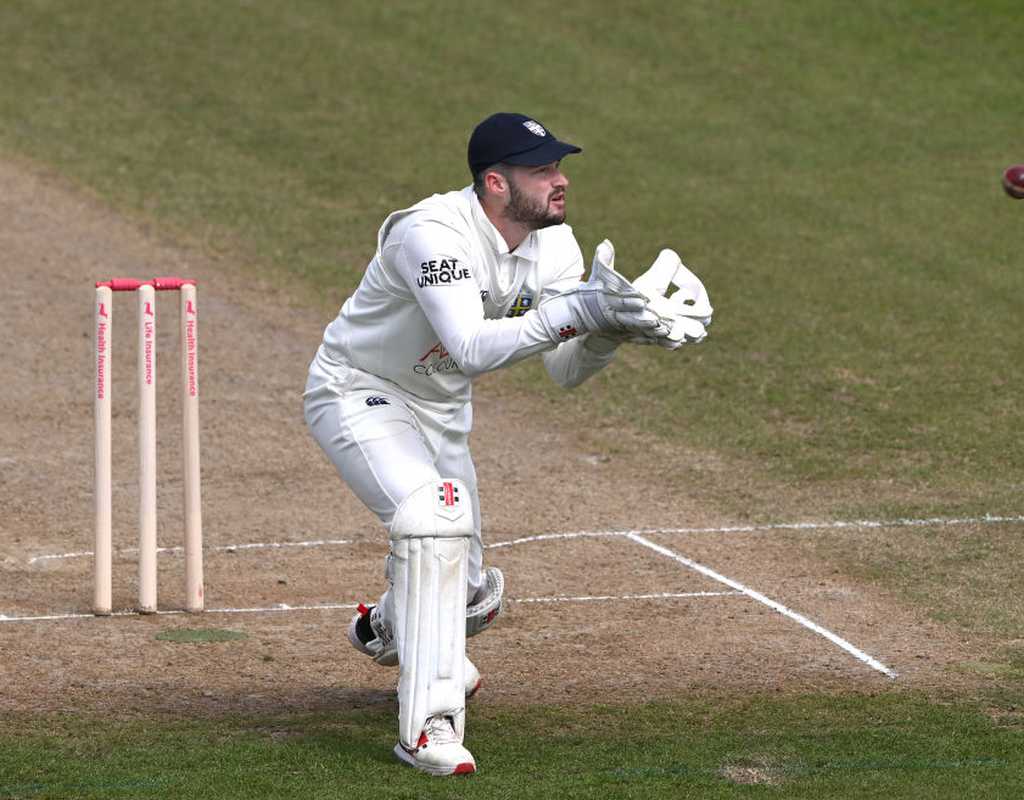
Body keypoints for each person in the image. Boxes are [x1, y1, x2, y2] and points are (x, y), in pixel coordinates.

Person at [303, 112, 711, 776]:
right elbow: (468, 347)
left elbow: (563, 368)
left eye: (558, 166)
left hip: (438, 411)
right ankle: (427, 727)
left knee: (466, 597)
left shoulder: (555, 247)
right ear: (495, 183)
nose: (561, 180)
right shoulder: (430, 235)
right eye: (542, 170)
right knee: (435, 519)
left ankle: (388, 627)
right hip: (359, 391)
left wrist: (608, 331)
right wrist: (573, 312)